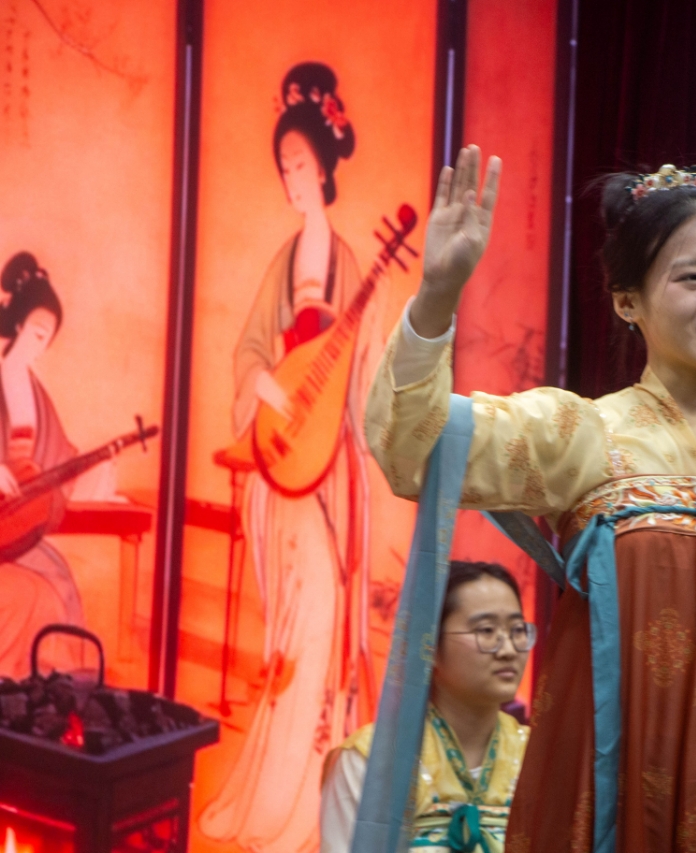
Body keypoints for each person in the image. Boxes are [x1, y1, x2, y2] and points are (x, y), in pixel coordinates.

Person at [363, 148, 696, 850]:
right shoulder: (582, 433)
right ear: (628, 302)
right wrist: (438, 293)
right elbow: (412, 452)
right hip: (608, 780)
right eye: (693, 277)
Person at [200, 62, 380, 853]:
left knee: (325, 624)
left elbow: (362, 376)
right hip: (282, 463)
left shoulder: (349, 263)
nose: (292, 179)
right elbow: (248, 349)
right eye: (284, 168)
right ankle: (272, 800)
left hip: (329, 467)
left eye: (301, 165)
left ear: (326, 166)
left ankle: (314, 805)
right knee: (290, 633)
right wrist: (268, 385)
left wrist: (347, 430)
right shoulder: (283, 261)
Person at [320, 561, 532, 853]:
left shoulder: (538, 757)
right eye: (486, 631)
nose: (508, 650)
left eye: (517, 630)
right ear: (429, 645)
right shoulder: (374, 760)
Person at [0, 251, 83, 676]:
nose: (40, 345)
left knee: (58, 587)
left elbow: (57, 455)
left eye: (47, 337)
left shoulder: (31, 389)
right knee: (32, 596)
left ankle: (40, 695)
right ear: (17, 325)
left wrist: (88, 471)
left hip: (14, 528)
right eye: (35, 332)